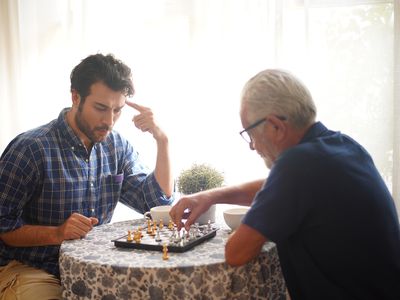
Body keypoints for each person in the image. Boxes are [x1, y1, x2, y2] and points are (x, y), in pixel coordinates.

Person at [170, 69, 400, 300]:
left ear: (275, 127)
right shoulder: (343, 146)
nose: (252, 146)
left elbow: (236, 253)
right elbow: (274, 189)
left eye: (250, 134)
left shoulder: (297, 165)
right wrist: (211, 196)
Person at [0, 53, 174, 299]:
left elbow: (156, 203)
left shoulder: (117, 147)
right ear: (75, 97)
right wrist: (57, 233)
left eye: (117, 110)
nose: (109, 121)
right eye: (101, 108)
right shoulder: (31, 149)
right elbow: (3, 225)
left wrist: (162, 139)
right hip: (29, 268)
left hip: (91, 269)